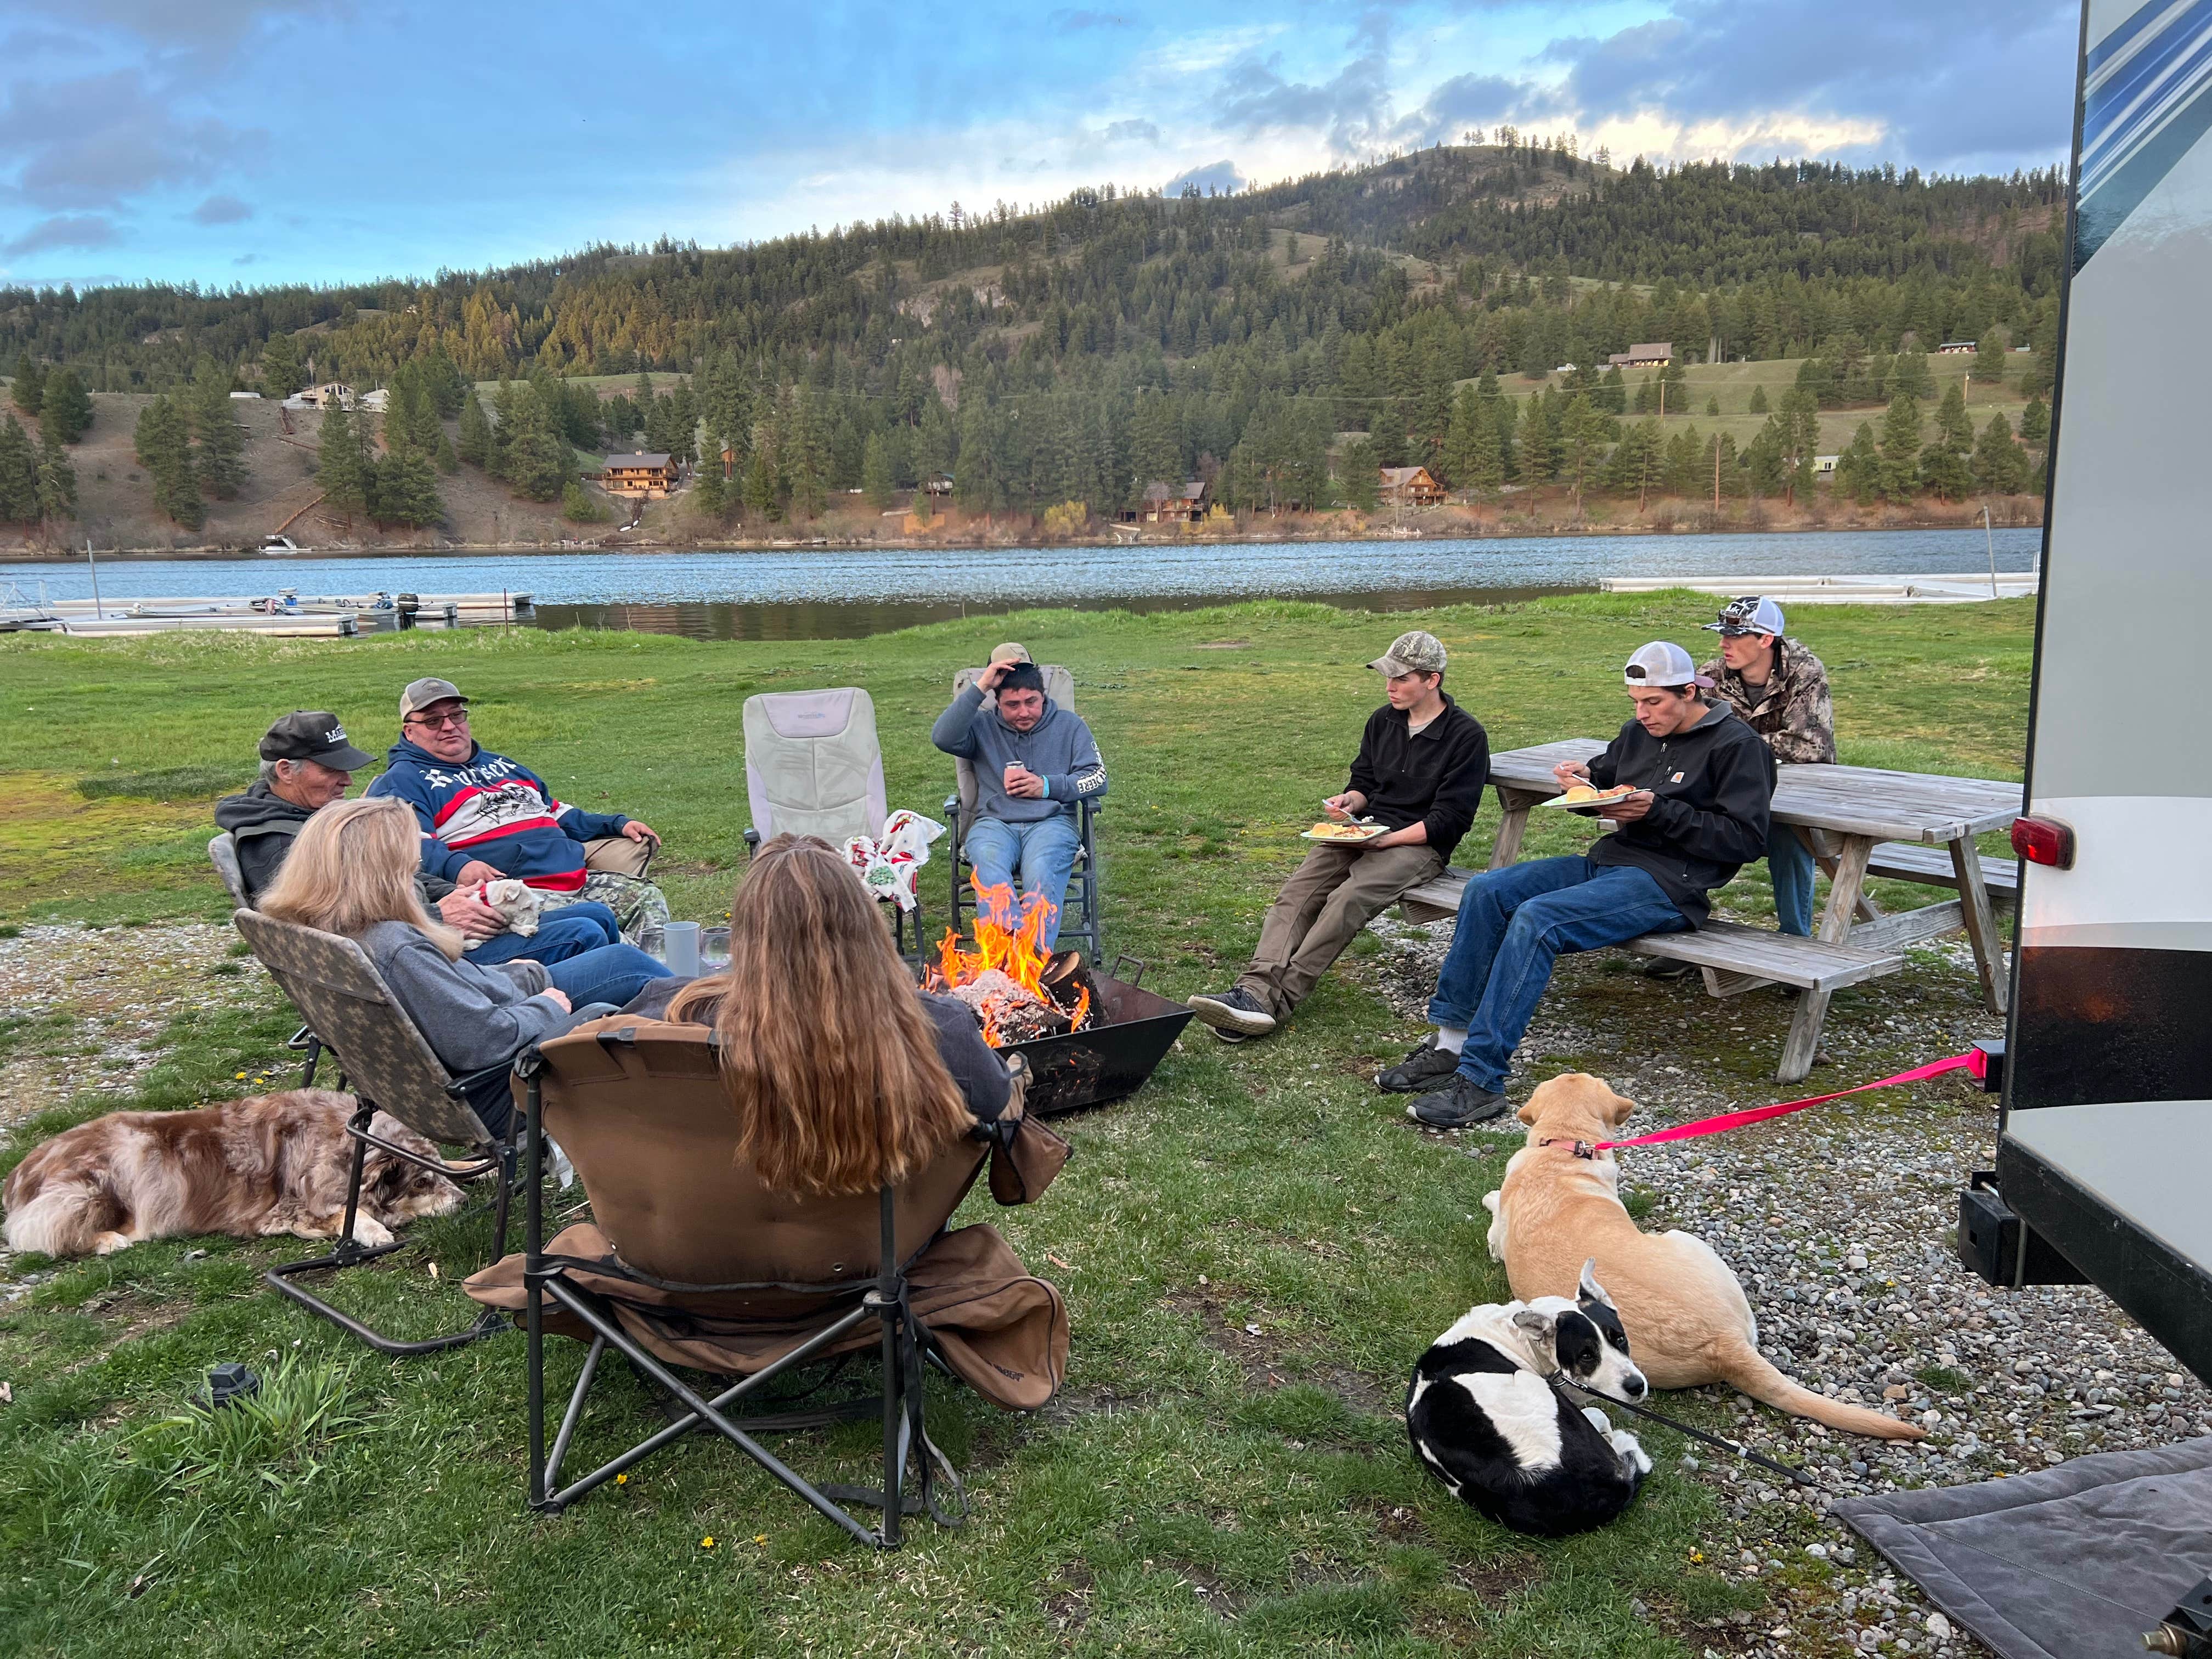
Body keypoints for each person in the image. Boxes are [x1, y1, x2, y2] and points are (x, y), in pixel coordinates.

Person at [1380, 642, 1776, 1130]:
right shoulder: (1638, 732)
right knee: (1487, 891)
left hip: (1671, 885)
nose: (1642, 713)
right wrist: (1582, 781)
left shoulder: (1739, 747)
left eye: (1654, 702)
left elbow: (1747, 839)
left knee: (1538, 918)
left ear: (1690, 692)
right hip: (1608, 864)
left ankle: (1482, 1079)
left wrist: (1659, 811)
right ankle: (1449, 1045)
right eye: (1635, 700)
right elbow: (1606, 777)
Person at [258, 798, 673, 1138]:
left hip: (421, 1086)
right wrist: (548, 1007)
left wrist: (522, 975)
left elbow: (452, 999)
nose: (417, 869)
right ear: (383, 872)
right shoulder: (394, 946)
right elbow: (484, 1043)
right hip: (498, 1090)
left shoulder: (328, 930)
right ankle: (709, 1071)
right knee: (640, 977)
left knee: (618, 958)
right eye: (410, 863)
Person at [622, 834, 1010, 1194]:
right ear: (867, 927)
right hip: (883, 1249)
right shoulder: (937, 1030)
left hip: (716, 1251)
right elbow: (994, 1100)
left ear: (748, 936)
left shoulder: (672, 1013)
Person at [1186, 630, 1490, 1042]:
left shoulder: (1466, 736)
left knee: (1346, 899)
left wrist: (1387, 841)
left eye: (1401, 679)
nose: (1390, 687)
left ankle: (1274, 1002)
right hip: (1362, 831)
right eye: (1388, 677)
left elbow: (1450, 820)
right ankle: (1253, 992)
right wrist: (1349, 802)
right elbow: (1364, 781)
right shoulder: (1382, 721)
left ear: (1432, 680)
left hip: (1418, 845)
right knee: (1297, 892)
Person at [215, 709, 627, 968]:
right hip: (415, 962)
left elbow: (394, 876)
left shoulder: (313, 817)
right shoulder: (276, 844)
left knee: (596, 915)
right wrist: (437, 914)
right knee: (588, 933)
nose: (347, 780)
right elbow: (343, 928)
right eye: (331, 770)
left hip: (422, 931)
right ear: (286, 771)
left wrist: (454, 893)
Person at [365, 677, 670, 938]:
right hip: (518, 894)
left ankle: (670, 988)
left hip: (573, 878)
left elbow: (555, 811)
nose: (449, 727)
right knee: (599, 928)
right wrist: (459, 866)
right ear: (409, 731)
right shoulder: (402, 781)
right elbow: (406, 847)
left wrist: (615, 825)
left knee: (644, 897)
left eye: (456, 716)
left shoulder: (502, 765)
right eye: (433, 721)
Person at [930, 644, 1108, 951]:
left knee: (1041, 870)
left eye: (1031, 702)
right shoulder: (981, 726)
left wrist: (1047, 787)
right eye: (1012, 705)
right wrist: (982, 685)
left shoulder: (1069, 726)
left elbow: (1098, 778)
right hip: (994, 823)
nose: (1024, 712)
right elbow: (942, 737)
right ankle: (1008, 959)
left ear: (1043, 696)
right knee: (989, 865)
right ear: (996, 701)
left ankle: (1032, 962)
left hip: (1052, 822)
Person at [1698, 596, 1835, 938]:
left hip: (1796, 792)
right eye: (1722, 634)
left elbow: (1812, 747)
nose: (1723, 643)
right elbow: (1690, 737)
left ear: (1766, 639)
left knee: (1788, 831)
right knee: (1685, 818)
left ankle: (1795, 941)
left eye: (1735, 636)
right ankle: (1681, 926)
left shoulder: (1804, 671)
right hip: (1728, 788)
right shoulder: (1709, 677)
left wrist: (1736, 747)